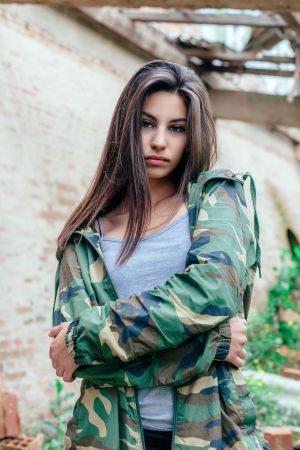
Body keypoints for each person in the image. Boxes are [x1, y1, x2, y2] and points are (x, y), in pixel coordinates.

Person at [48, 60, 269, 450]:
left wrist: (88, 341)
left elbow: (212, 292)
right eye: (147, 123)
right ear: (126, 127)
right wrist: (212, 344)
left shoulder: (216, 201)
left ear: (192, 134)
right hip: (107, 436)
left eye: (177, 128)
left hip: (212, 432)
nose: (159, 141)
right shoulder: (86, 237)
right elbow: (79, 362)